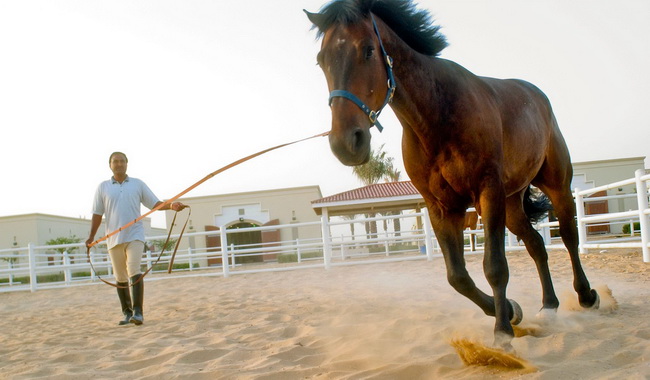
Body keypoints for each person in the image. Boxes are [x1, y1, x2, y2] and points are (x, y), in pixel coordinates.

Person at [86, 152, 187, 326]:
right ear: (110, 165)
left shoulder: (137, 184)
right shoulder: (102, 187)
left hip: (135, 235)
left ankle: (138, 313)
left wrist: (171, 206)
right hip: (113, 237)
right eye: (115, 162)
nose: (119, 164)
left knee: (133, 269)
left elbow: (155, 204)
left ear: (127, 164)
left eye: (122, 161)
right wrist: (91, 237)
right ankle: (127, 313)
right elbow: (97, 213)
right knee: (120, 276)